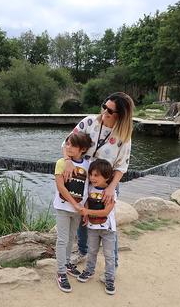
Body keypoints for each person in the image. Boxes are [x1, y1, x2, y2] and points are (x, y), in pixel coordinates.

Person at [63, 92, 134, 268]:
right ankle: (83, 251)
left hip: (105, 186)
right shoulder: (90, 122)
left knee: (107, 225)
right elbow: (67, 143)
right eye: (104, 106)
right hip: (82, 182)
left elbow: (121, 166)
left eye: (110, 111)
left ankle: (113, 262)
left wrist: (111, 188)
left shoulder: (123, 136)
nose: (104, 112)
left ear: (120, 115)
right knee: (82, 217)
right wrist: (67, 161)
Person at [54, 132, 93, 293]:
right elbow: (60, 186)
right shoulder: (61, 163)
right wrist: (74, 204)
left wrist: (85, 210)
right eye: (67, 144)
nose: (67, 147)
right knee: (62, 239)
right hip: (64, 208)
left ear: (82, 149)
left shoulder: (88, 165)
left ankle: (67, 263)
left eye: (72, 145)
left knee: (72, 237)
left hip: (79, 209)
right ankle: (61, 272)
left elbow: (88, 188)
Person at [77, 159, 117, 295]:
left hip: (108, 230)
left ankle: (110, 278)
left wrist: (87, 212)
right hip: (92, 228)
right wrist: (86, 214)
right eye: (91, 174)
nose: (92, 178)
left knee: (109, 255)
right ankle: (89, 271)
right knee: (92, 251)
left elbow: (106, 212)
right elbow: (87, 202)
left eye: (96, 175)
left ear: (107, 177)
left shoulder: (110, 192)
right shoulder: (89, 188)